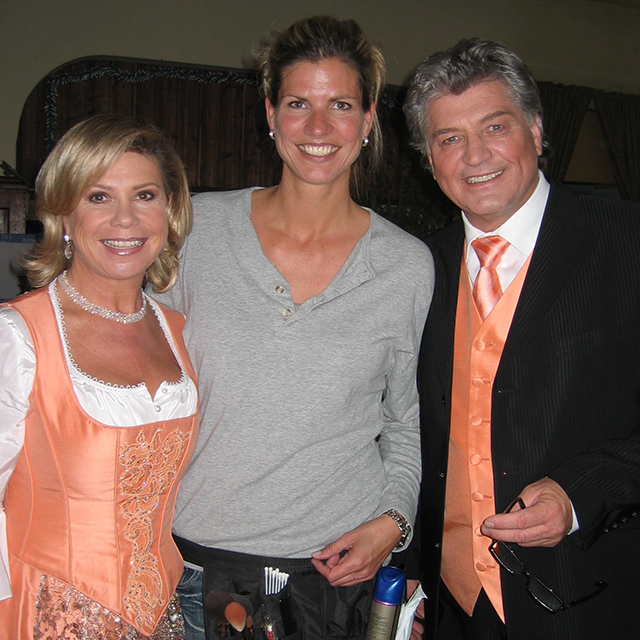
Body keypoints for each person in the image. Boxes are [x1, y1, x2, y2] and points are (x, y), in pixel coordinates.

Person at [155, 15, 434, 640]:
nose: (318, 127)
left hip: (336, 581)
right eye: (298, 103)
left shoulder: (407, 266)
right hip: (198, 568)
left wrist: (393, 523)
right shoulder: (194, 232)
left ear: (368, 120)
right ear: (271, 114)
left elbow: (406, 422)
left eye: (341, 105)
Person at [403, 38, 640, 640]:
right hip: (451, 605)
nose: (475, 155)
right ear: (428, 159)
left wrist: (579, 495)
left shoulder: (627, 242)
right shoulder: (414, 268)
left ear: (535, 130)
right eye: (449, 138)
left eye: (495, 126)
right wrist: (408, 565)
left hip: (593, 599)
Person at [0, 114, 199, 639]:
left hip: (162, 614)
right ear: (63, 213)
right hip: (51, 614)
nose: (125, 219)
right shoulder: (17, 336)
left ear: (169, 209)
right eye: (98, 197)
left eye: (144, 195)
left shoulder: (175, 330)